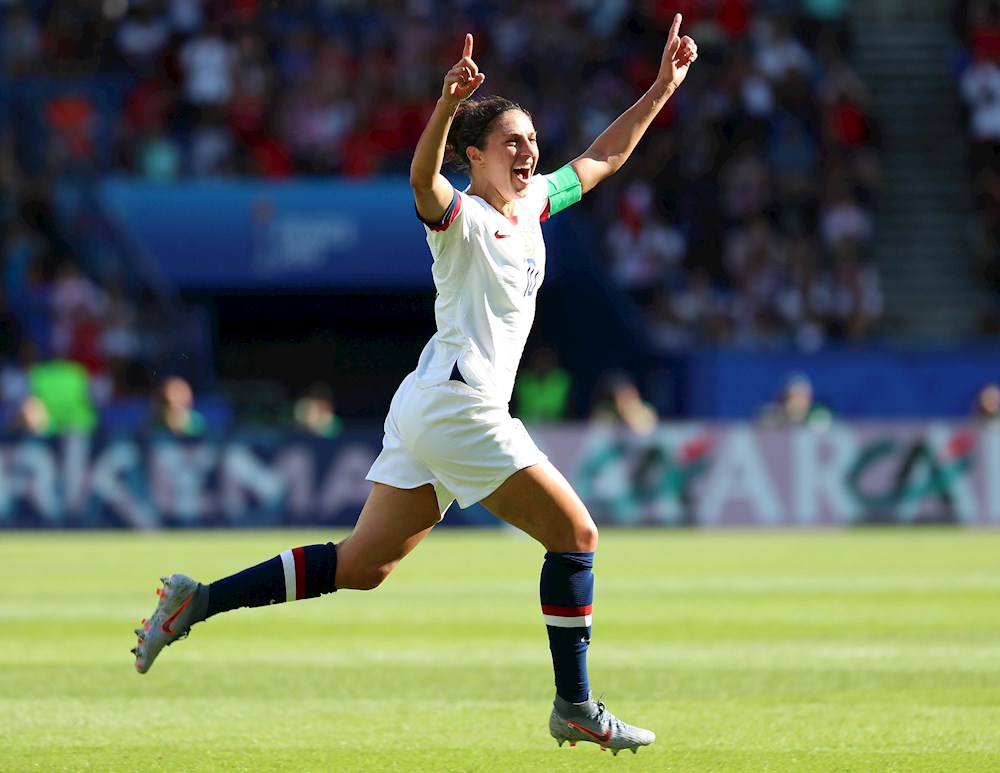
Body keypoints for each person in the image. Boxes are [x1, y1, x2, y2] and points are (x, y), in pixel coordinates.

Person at [132, 19, 698, 755]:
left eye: (530, 140)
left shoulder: (534, 205)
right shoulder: (460, 219)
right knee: (577, 534)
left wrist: (660, 88)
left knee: (362, 566)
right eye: (511, 143)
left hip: (431, 400)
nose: (529, 152)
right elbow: (420, 182)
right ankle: (577, 703)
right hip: (459, 404)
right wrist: (444, 104)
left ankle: (196, 601)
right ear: (476, 156)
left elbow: (603, 156)